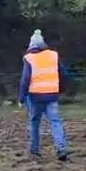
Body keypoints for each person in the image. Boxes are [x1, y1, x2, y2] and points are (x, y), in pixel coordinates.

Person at [19, 30, 69, 162]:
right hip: (52, 95)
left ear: (31, 46)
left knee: (35, 122)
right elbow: (63, 74)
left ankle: (35, 150)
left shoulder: (29, 58)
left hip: (35, 97)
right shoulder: (53, 56)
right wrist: (61, 89)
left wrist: (21, 97)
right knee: (56, 122)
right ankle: (61, 148)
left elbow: (25, 79)